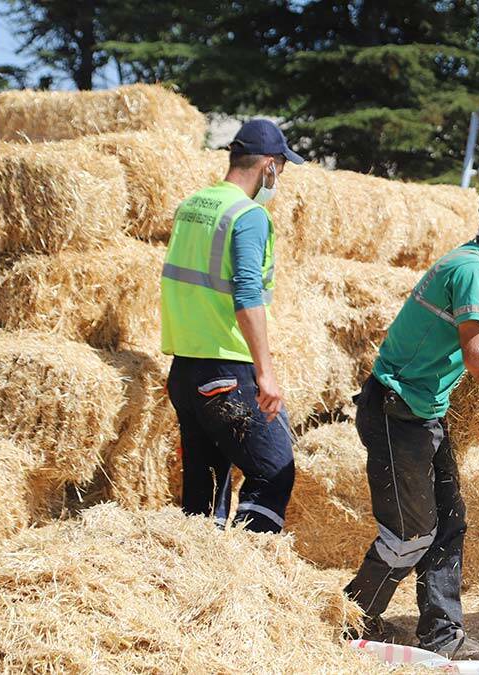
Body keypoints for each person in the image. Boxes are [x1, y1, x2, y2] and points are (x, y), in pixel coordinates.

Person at [344, 177, 479, 664]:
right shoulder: (470, 269)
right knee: (411, 533)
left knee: (448, 522)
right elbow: (477, 356)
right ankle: (352, 619)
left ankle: (443, 636)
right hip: (397, 409)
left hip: (423, 412)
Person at [161, 118, 302, 534]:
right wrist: (266, 372)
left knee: (204, 497)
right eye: (282, 169)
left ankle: (200, 580)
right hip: (227, 368)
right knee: (274, 469)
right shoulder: (248, 215)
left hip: (186, 372)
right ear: (270, 166)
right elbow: (246, 292)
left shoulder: (192, 206)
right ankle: (248, 575)